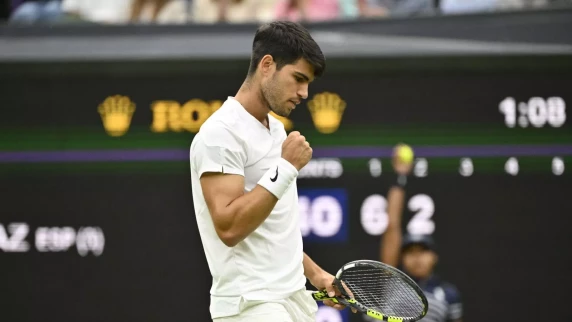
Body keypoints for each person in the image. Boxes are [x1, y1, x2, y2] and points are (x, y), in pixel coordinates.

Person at [189, 21, 354, 322]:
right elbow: (229, 228)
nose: (304, 93)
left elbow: (273, 231)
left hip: (290, 301)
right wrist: (285, 167)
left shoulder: (276, 130)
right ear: (267, 65)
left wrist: (317, 275)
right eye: (298, 78)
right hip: (251, 306)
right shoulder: (220, 133)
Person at [377, 145, 463, 322]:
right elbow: (392, 225)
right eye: (410, 252)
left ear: (434, 257)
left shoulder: (448, 295)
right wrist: (399, 177)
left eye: (422, 251)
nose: (417, 258)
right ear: (402, 257)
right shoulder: (389, 286)